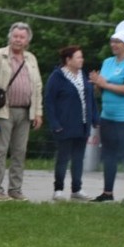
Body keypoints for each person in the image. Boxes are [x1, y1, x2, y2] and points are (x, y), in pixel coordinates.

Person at [0, 22, 43, 201]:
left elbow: (37, 87)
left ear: (27, 40)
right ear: (10, 37)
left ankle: (15, 189)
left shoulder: (31, 59)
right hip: (2, 111)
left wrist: (38, 112)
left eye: (22, 37)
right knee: (0, 150)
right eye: (15, 36)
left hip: (25, 112)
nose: (18, 40)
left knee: (20, 151)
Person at [89, 19, 124, 206]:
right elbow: (102, 88)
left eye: (117, 42)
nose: (113, 45)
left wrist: (105, 84)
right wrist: (97, 83)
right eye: (112, 41)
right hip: (108, 116)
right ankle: (107, 192)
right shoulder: (107, 62)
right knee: (109, 154)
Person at [44, 45, 98, 201]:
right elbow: (49, 101)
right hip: (64, 125)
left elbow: (91, 99)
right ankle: (58, 189)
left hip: (82, 124)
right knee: (63, 157)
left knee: (78, 158)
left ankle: (77, 188)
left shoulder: (84, 76)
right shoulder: (57, 77)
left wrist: (95, 118)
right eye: (78, 57)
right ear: (68, 60)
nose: (82, 60)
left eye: (82, 57)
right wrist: (55, 123)